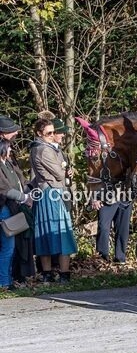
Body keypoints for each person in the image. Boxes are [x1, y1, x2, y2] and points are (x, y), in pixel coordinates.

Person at [28, 113, 77, 283]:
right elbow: (59, 174)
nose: (52, 135)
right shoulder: (43, 149)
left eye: (52, 132)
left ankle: (50, 273)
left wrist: (65, 171)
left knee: (48, 233)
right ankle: (60, 274)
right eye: (48, 133)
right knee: (57, 233)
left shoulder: (46, 148)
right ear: (39, 133)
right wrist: (65, 171)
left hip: (51, 191)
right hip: (51, 194)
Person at [0, 139, 33, 289]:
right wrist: (25, 198)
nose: (10, 150)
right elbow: (5, 189)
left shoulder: (8, 164)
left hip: (13, 208)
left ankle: (7, 279)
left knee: (11, 248)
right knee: (8, 247)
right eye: (8, 147)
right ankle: (4, 282)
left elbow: (20, 183)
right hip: (5, 209)